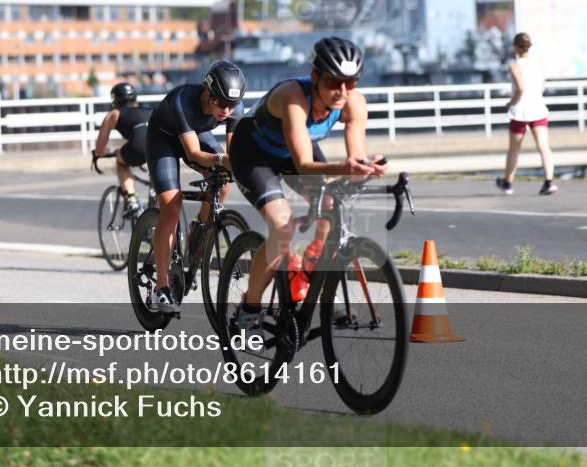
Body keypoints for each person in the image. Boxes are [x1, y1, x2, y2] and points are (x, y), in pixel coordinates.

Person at [230, 37, 387, 335]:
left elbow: (355, 157)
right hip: (253, 154)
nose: (342, 92)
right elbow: (304, 165)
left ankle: (308, 274)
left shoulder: (354, 103)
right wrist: (345, 168)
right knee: (282, 226)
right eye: (333, 82)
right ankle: (249, 307)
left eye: (350, 83)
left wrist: (367, 166)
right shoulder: (293, 97)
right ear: (315, 78)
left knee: (330, 205)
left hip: (293, 151)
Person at [145, 60, 246, 314]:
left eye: (231, 104)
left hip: (196, 133)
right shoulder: (183, 100)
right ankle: (161, 288)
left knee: (223, 185)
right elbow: (194, 153)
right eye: (220, 102)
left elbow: (233, 154)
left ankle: (199, 232)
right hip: (164, 140)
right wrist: (224, 161)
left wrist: (238, 166)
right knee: (171, 205)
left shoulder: (233, 107)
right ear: (207, 93)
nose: (226, 110)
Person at [497, 32, 557, 195]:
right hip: (538, 108)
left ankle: (507, 183)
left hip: (521, 111)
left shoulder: (515, 65)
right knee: (543, 146)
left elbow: (520, 89)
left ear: (516, 47)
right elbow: (542, 88)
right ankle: (549, 181)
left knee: (514, 149)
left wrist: (510, 103)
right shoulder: (538, 63)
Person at [92, 82, 150, 213]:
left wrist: (103, 153)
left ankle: (131, 200)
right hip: (159, 146)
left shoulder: (114, 114)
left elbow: (100, 149)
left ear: (115, 100)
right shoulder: (147, 109)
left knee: (121, 162)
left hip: (138, 147)